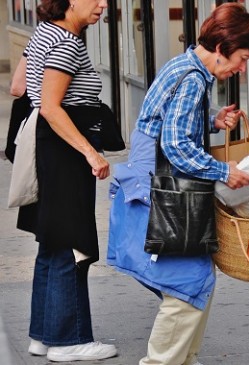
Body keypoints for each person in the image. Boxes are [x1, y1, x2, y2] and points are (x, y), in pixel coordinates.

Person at [107, 3, 249, 365]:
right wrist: (224, 172)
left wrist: (211, 120)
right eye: (242, 58)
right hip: (163, 195)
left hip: (155, 191)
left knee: (193, 282)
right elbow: (176, 146)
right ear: (223, 46)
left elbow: (166, 121)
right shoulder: (193, 78)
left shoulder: (185, 67)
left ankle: (181, 360)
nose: (242, 68)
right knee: (188, 284)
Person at [16, 0, 117, 362]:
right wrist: (90, 152)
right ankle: (68, 340)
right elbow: (50, 105)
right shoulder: (67, 42)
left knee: (53, 243)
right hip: (65, 152)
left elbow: (18, 86)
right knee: (72, 243)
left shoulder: (44, 34)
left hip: (47, 149)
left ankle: (43, 335)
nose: (103, 4)